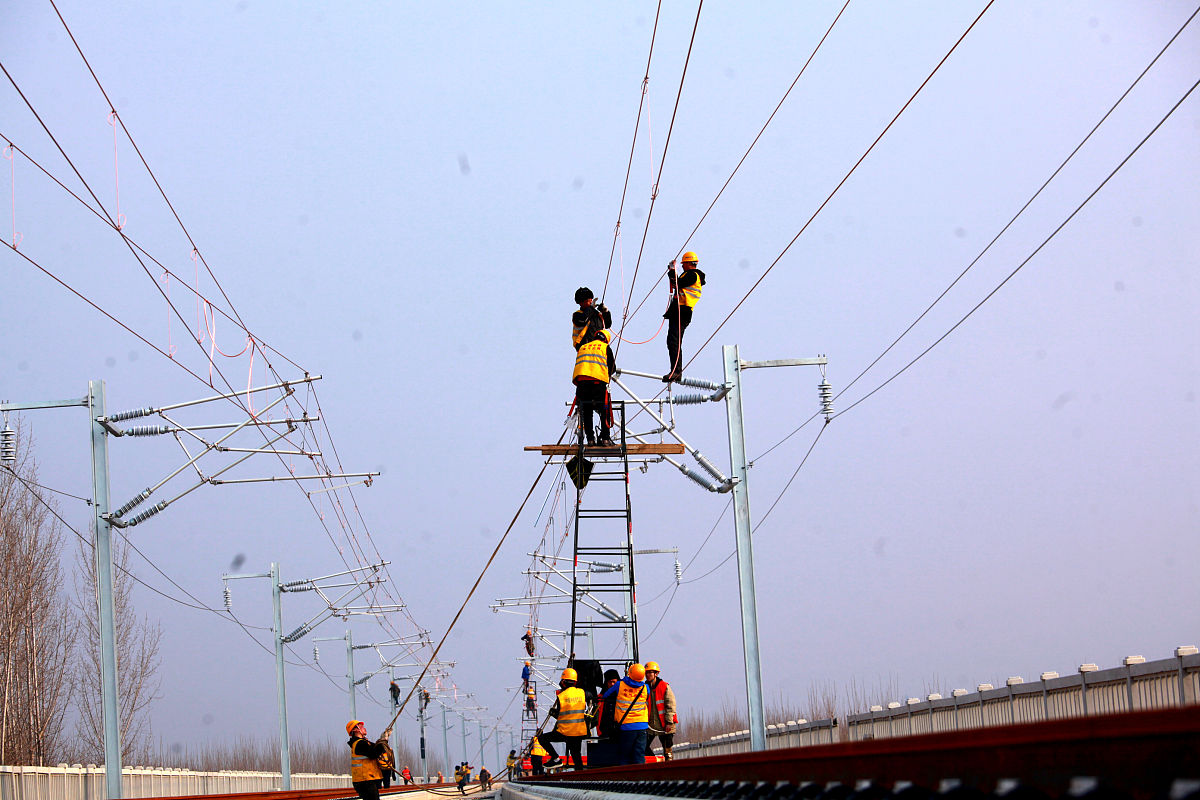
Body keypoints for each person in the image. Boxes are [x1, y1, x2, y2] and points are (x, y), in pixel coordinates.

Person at [662, 251, 706, 382]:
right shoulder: (691, 275)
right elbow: (677, 283)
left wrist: (671, 270)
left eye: (683, 264)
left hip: (682, 311)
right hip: (679, 311)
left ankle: (676, 371)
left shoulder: (693, 275)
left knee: (674, 341)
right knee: (672, 341)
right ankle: (675, 370)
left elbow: (677, 283)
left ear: (688, 263)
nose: (682, 266)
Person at [538, 667, 589, 770]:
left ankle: (556, 759)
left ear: (563, 682)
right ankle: (581, 776)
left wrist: (553, 713)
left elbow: (560, 715)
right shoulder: (582, 693)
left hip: (565, 732)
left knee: (542, 738)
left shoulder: (561, 696)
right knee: (576, 755)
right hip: (578, 731)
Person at [572, 328, 616, 447]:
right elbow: (612, 368)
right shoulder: (605, 348)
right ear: (606, 340)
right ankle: (605, 439)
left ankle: (590, 440)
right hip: (597, 384)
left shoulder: (583, 347)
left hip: (582, 385)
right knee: (604, 411)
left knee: (587, 412)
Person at [599, 663, 648, 765]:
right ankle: (640, 778)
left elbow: (606, 695)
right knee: (639, 755)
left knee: (625, 756)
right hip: (642, 725)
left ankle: (626, 778)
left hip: (627, 726)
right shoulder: (645, 687)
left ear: (629, 673)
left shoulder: (619, 685)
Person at [642, 661, 678, 760]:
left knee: (668, 751)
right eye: (646, 673)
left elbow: (671, 705)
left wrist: (669, 723)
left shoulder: (664, 686)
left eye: (650, 672)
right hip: (650, 725)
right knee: (642, 746)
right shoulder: (644, 688)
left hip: (665, 725)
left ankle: (668, 769)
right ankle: (655, 762)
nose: (647, 675)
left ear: (656, 673)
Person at [346, 719, 389, 800]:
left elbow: (377, 747)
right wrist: (384, 740)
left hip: (366, 780)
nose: (364, 728)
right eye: (361, 727)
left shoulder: (364, 742)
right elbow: (374, 753)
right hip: (365, 781)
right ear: (355, 730)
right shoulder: (359, 744)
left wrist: (383, 739)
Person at [592, 668, 621, 739]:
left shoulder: (623, 696)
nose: (612, 684)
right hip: (604, 733)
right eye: (610, 682)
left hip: (620, 732)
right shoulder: (600, 698)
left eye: (614, 682)